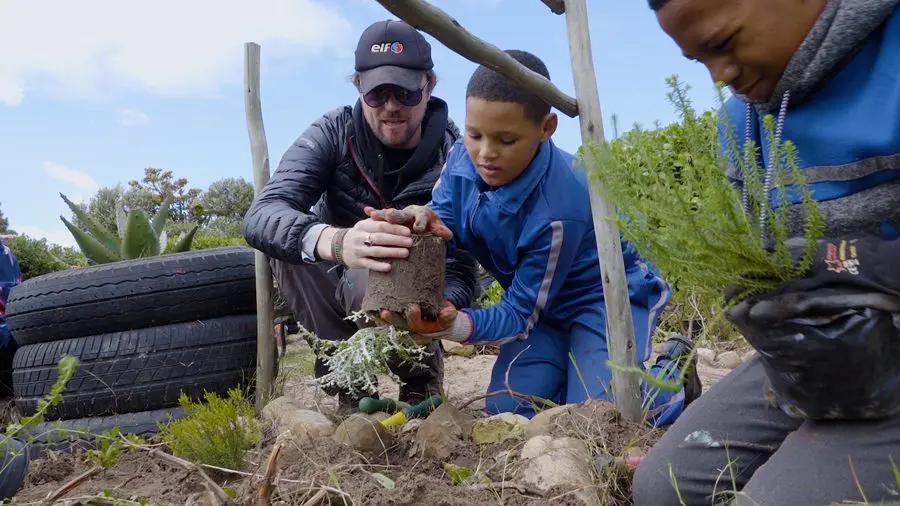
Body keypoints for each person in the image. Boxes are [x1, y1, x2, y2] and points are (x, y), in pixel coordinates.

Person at [633, 1, 900, 504]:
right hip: (822, 346)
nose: (721, 75)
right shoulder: (743, 124)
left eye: (724, 43)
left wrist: (861, 270)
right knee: (663, 488)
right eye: (699, 61)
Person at [368, 49, 701, 424]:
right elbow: (446, 215)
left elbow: (519, 314)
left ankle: (674, 371)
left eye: (506, 140)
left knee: (604, 417)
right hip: (544, 303)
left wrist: (454, 325)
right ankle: (571, 373)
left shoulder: (560, 209)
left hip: (603, 298)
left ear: (547, 128)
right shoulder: (463, 156)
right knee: (507, 408)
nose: (485, 153)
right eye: (475, 133)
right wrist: (423, 219)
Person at [243, 19, 478, 410]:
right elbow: (263, 215)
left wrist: (443, 309)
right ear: (357, 86)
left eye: (404, 91)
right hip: (338, 277)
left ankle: (419, 375)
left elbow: (464, 260)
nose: (391, 106)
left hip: (411, 294)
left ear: (429, 84)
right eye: (377, 93)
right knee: (289, 249)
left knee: (391, 268)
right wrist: (337, 241)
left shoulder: (457, 155)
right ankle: (351, 385)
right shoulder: (333, 132)